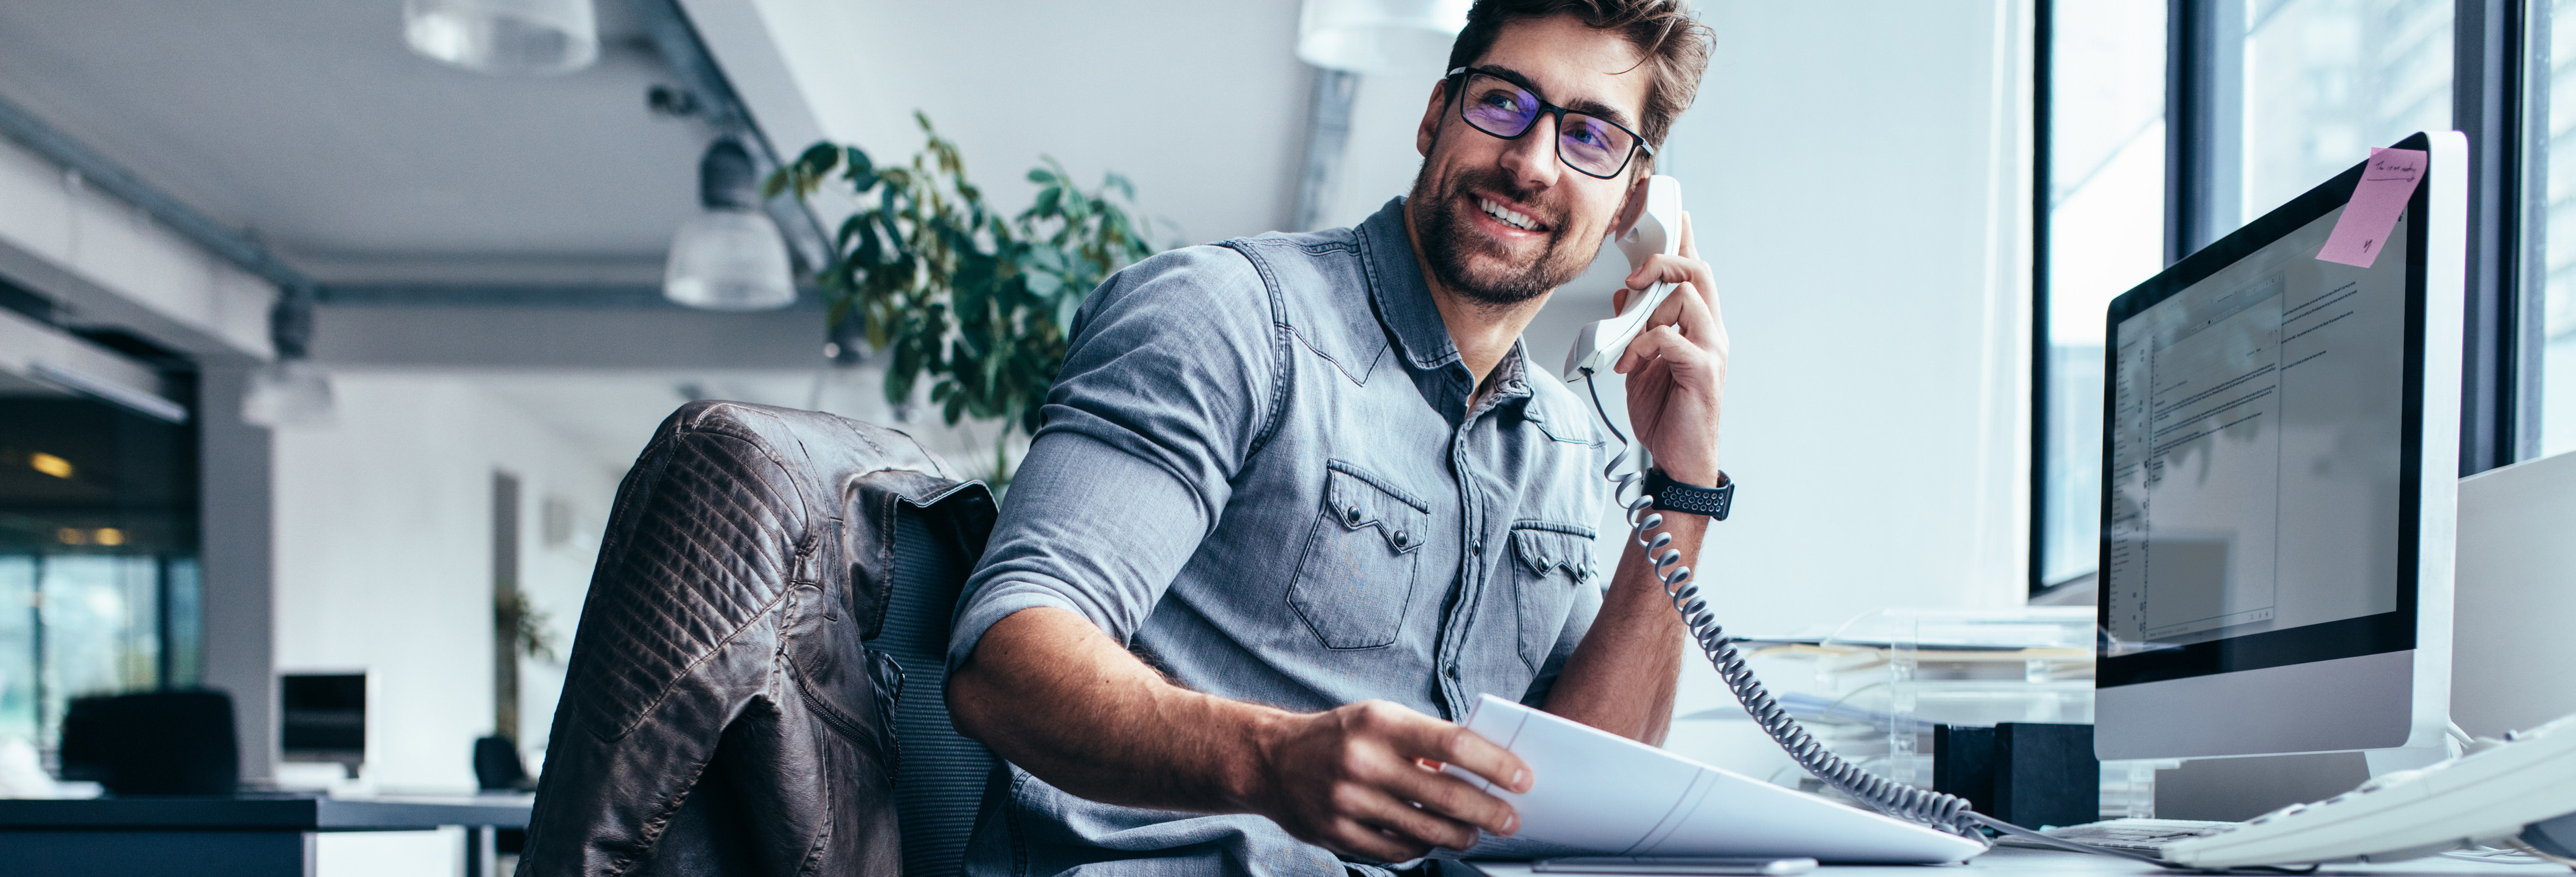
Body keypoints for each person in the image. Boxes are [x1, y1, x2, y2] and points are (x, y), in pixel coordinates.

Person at [944, 1, 1723, 873]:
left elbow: (1576, 797)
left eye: (1590, 138)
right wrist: (1270, 762)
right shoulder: (1227, 316)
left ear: (1633, 206)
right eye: (1504, 102)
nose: (1531, 163)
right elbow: (1005, 656)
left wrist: (1682, 485)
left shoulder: (1567, 453)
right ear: (1436, 113)